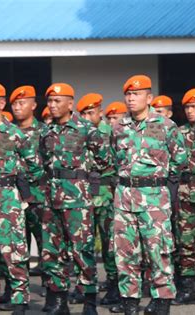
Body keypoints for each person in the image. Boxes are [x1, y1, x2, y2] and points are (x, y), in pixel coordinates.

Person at [110, 74, 186, 315]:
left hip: (154, 199)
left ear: (149, 97)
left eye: (136, 94)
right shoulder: (119, 128)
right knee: (125, 254)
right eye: (128, 95)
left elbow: (180, 159)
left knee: (158, 252)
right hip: (124, 198)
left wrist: (163, 185)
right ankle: (129, 304)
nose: (131, 99)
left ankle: (162, 302)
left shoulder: (165, 126)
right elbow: (115, 160)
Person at [40, 83, 112, 315]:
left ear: (70, 103)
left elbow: (104, 160)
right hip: (51, 199)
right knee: (53, 252)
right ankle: (59, 301)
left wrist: (85, 180)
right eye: (50, 101)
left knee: (83, 252)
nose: (52, 105)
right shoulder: (46, 131)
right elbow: (43, 161)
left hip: (78, 201)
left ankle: (89, 302)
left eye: (57, 101)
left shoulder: (86, 129)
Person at [0, 83, 44, 315]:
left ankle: (20, 304)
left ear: (1, 104)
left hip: (6, 204)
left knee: (14, 256)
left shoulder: (15, 134)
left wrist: (20, 193)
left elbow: (35, 167)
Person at [76, 93, 120, 306]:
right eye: (83, 113)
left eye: (90, 112)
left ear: (99, 112)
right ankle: (85, 286)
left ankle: (113, 286)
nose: (86, 117)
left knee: (110, 244)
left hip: (106, 193)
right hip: (84, 194)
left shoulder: (111, 132)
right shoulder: (79, 133)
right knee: (83, 243)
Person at [9, 85, 48, 304]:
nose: (17, 107)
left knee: (45, 244)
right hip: (13, 198)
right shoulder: (7, 132)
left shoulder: (44, 132)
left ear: (33, 106)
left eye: (22, 103)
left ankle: (48, 285)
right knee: (16, 246)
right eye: (14, 103)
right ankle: (16, 290)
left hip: (39, 195)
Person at [172, 88, 195, 306]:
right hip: (186, 193)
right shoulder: (179, 132)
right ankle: (187, 288)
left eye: (194, 106)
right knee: (186, 240)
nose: (190, 111)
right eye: (187, 107)